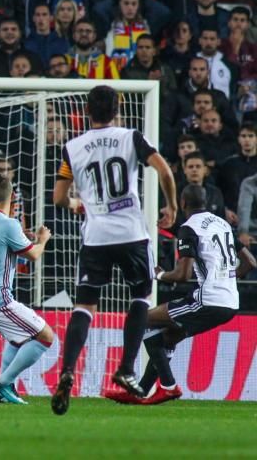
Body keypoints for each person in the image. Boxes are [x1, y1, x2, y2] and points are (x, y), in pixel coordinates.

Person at [50, 85, 177, 415]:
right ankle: (127, 367)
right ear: (117, 108)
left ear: (87, 110)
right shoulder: (131, 137)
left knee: (84, 306)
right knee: (139, 297)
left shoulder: (73, 147)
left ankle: (66, 372)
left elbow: (58, 198)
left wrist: (79, 204)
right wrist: (172, 206)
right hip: (132, 234)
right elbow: (163, 169)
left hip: (96, 237)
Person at [106, 185, 255, 405]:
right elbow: (251, 262)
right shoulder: (223, 224)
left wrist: (159, 275)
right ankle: (140, 391)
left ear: (183, 203)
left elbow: (182, 275)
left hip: (208, 300)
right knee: (168, 337)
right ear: (205, 202)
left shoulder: (190, 228)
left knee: (142, 320)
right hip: (230, 302)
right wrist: (227, 278)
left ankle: (168, 386)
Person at [0, 173, 54, 405]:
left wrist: (23, 239)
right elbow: (34, 255)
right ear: (14, 198)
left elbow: (0, 246)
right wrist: (42, 239)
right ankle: (3, 382)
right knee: (46, 337)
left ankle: (2, 393)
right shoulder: (10, 224)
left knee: (18, 339)